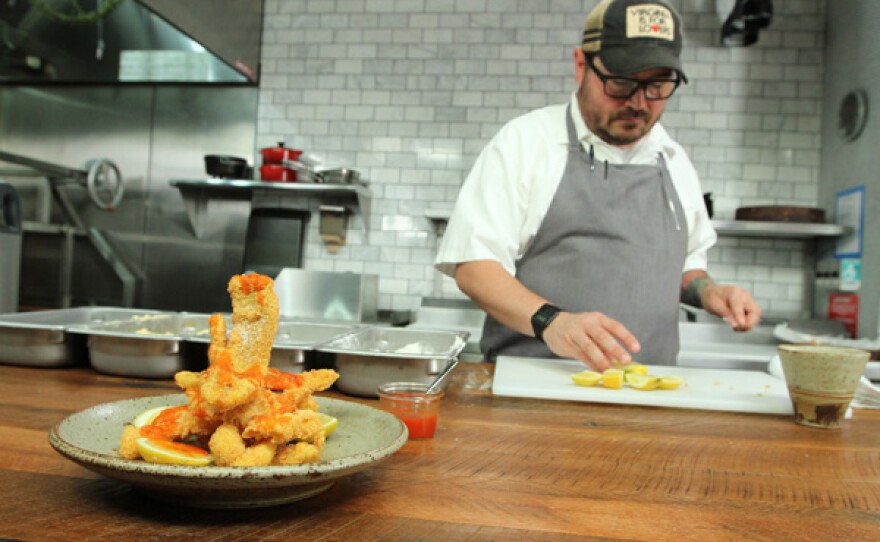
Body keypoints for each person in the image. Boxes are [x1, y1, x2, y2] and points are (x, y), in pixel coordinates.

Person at [435, 0, 761, 371]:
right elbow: (475, 265)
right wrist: (552, 322)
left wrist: (710, 292)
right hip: (532, 393)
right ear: (580, 65)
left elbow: (686, 268)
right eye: (621, 83)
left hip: (648, 394)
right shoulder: (527, 143)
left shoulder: (672, 159)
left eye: (657, 86)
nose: (638, 103)